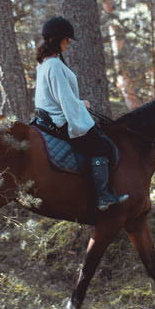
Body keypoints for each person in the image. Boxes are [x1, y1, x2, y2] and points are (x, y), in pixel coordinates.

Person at [34, 16, 128, 211]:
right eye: (66, 39)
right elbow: (65, 100)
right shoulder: (54, 65)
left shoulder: (44, 65)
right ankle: (103, 196)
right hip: (59, 121)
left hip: (47, 118)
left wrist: (79, 103)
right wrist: (80, 110)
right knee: (101, 147)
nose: (68, 43)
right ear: (56, 40)